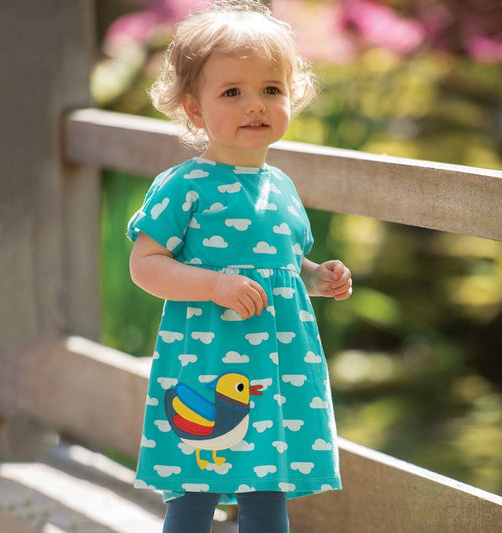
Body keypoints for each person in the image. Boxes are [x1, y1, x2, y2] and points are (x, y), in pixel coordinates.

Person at [127, 1, 352, 531]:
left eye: (271, 89)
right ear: (194, 109)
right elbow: (146, 265)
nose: (256, 105)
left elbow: (284, 265)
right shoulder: (186, 185)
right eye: (232, 92)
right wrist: (213, 285)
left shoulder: (283, 187)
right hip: (208, 364)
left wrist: (317, 277)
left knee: (268, 485)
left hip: (278, 367)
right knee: (195, 486)